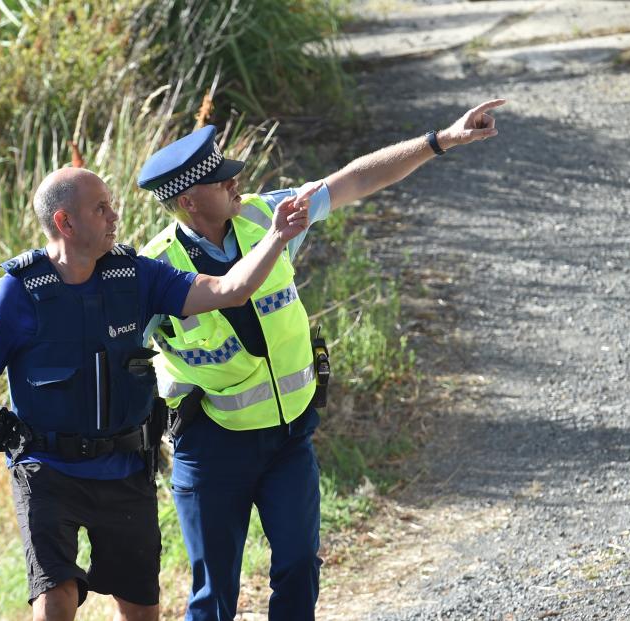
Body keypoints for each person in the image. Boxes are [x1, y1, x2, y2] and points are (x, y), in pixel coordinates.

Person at [135, 99, 505, 621]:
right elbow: (109, 347)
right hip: (213, 445)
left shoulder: (268, 215)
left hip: (288, 437)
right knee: (214, 593)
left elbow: (354, 180)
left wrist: (441, 138)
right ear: (192, 200)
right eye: (223, 182)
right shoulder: (152, 270)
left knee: (299, 569)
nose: (237, 183)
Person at [0, 166, 310, 621]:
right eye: (101, 208)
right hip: (46, 470)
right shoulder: (17, 295)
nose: (115, 216)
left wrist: (275, 238)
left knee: (140, 612)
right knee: (55, 602)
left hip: (124, 469)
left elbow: (227, 290)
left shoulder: (135, 276)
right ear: (65, 223)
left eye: (111, 204)